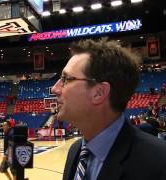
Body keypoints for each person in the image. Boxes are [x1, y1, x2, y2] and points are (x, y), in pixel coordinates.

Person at [51, 38, 166, 180]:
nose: (54, 89)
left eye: (66, 79)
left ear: (99, 93)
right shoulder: (76, 151)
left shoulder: (159, 163)